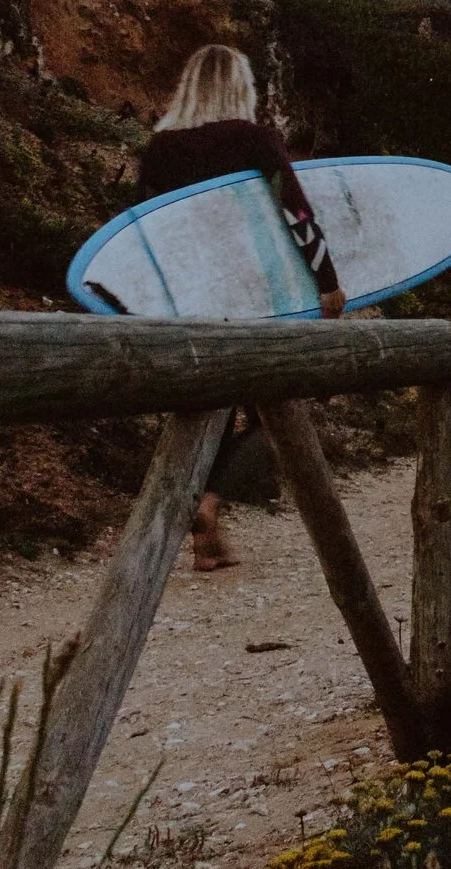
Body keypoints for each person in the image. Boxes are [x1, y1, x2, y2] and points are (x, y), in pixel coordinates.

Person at [136, 43, 346, 570]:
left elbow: (142, 231)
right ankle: (208, 504)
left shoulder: (160, 149)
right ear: (241, 87)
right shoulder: (254, 140)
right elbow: (295, 211)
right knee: (276, 403)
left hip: (188, 297)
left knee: (209, 409)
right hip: (251, 295)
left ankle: (206, 541)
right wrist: (326, 280)